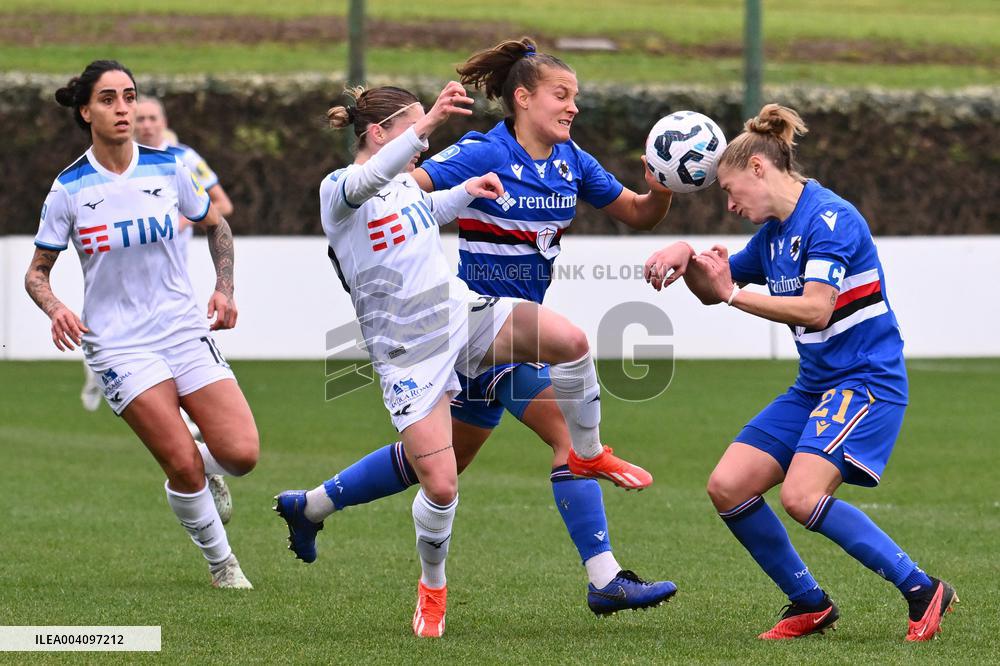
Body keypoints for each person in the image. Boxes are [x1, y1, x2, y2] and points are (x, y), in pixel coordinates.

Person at [275, 37, 678, 618]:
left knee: (438, 467)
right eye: (562, 95)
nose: (573, 107)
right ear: (523, 98)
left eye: (575, 97)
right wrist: (435, 143)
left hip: (490, 324)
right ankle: (605, 576)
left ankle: (310, 506)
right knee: (565, 438)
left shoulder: (570, 160)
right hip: (472, 336)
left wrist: (662, 188)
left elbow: (639, 213)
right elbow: (388, 189)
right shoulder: (469, 152)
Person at [643, 103, 956, 641]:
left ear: (759, 168)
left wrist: (734, 294)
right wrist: (685, 253)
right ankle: (808, 602)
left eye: (729, 188)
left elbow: (816, 308)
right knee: (728, 485)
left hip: (867, 382)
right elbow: (712, 288)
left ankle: (924, 590)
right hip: (815, 386)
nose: (730, 203)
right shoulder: (773, 237)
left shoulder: (830, 219)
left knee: (801, 497)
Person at [26, 60, 259, 589]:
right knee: (183, 465)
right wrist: (56, 306)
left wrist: (224, 288)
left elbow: (216, 225)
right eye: (108, 99)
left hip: (182, 329)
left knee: (241, 455)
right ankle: (224, 566)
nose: (123, 108)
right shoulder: (68, 189)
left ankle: (194, 471)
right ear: (86, 112)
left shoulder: (169, 166)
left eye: (129, 97)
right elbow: (36, 273)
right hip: (119, 345)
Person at [76, 94, 240, 523]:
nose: (142, 121)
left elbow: (221, 207)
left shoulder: (182, 159)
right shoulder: (91, 177)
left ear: (164, 121)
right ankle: (105, 381)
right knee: (155, 395)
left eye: (149, 115)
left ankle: (192, 454)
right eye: (138, 115)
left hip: (174, 299)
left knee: (232, 444)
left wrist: (186, 219)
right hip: (125, 312)